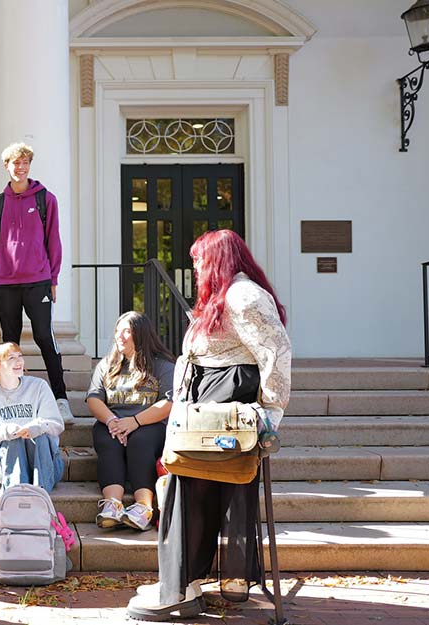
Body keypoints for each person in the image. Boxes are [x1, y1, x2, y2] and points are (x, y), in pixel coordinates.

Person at [127, 229, 292, 621]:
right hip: (209, 401)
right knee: (195, 493)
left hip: (224, 403)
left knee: (189, 489)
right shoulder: (227, 295)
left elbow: (276, 352)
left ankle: (179, 587)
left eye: (200, 259)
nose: (195, 267)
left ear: (218, 259)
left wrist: (271, 413)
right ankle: (187, 581)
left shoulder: (244, 296)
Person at [0, 142, 73, 424]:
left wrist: (54, 278)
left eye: (25, 163)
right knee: (8, 344)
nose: (20, 168)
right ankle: (9, 399)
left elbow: (53, 241)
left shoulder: (45, 200)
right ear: (6, 166)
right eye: (15, 163)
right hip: (5, 283)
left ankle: (60, 400)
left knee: (44, 337)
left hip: (38, 280)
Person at [87, 311, 177, 532]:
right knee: (105, 438)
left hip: (149, 425)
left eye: (127, 330)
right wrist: (111, 421)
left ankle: (144, 507)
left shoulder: (162, 366)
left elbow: (168, 404)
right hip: (114, 424)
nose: (120, 336)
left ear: (141, 333)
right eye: (118, 330)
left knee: (141, 441)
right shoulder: (106, 365)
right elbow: (94, 398)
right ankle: (112, 504)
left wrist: (135, 421)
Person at [0, 342, 65, 494]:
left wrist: (37, 427)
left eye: (20, 356)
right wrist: (7, 431)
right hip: (9, 464)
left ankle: (38, 493)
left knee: (41, 436)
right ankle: (17, 493)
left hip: (46, 462)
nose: (19, 362)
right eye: (11, 358)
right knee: (14, 439)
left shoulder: (38, 386)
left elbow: (57, 424)